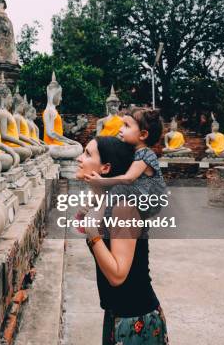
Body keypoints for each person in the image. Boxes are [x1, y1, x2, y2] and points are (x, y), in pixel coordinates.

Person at [76, 136, 169, 344]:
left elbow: (118, 275)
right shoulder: (104, 202)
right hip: (115, 313)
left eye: (88, 154)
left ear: (106, 168)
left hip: (135, 319)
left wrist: (93, 233)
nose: (79, 158)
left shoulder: (123, 207)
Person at [84, 108, 167, 218]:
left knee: (117, 189)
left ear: (142, 135)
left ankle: (105, 219)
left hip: (149, 197)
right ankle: (88, 212)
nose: (120, 129)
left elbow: (128, 178)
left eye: (126, 126)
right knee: (99, 195)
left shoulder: (145, 154)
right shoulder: (132, 151)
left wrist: (102, 181)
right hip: (137, 192)